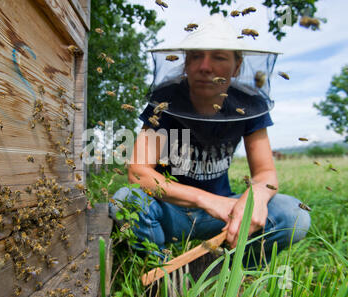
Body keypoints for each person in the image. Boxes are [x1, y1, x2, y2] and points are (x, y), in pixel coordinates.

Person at [109, 15, 310, 268]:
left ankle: (234, 269)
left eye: (219, 57)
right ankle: (162, 274)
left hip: (227, 214)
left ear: (237, 67)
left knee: (295, 215)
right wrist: (207, 200)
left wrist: (254, 200)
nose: (205, 66)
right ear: (185, 64)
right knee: (128, 200)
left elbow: (266, 172)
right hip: (170, 210)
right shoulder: (166, 100)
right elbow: (139, 173)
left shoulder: (249, 104)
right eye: (196, 56)